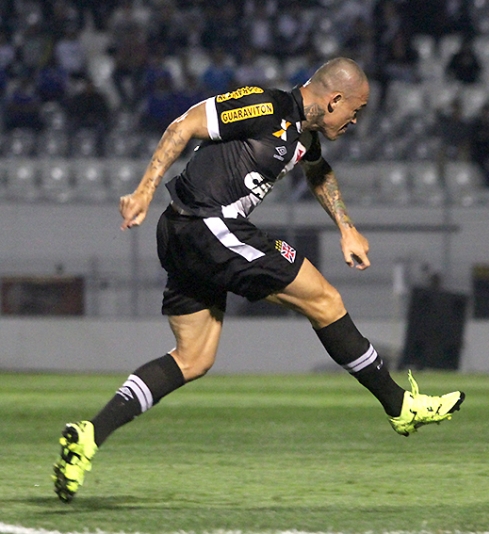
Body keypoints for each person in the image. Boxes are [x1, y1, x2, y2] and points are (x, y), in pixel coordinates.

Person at [52, 57, 465, 503]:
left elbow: (318, 171)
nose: (355, 121)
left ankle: (90, 435)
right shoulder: (265, 106)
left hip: (189, 234)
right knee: (324, 299)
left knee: (193, 358)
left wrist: (345, 227)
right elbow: (184, 124)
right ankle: (399, 406)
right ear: (334, 99)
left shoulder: (303, 135)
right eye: (356, 110)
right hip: (206, 224)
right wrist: (145, 189)